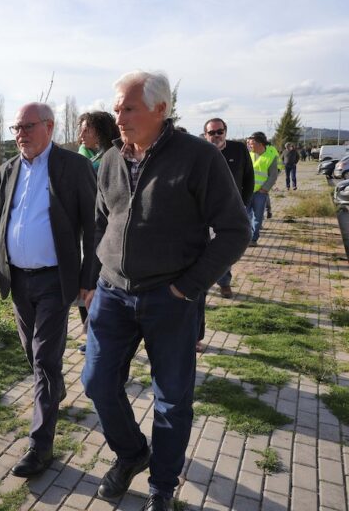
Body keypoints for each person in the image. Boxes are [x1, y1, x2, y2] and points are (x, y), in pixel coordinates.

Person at [81, 71, 250, 511]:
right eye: (117, 108)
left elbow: (235, 231)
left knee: (172, 401)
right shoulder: (113, 159)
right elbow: (103, 221)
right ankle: (133, 453)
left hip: (170, 299)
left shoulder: (198, 157)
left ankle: (162, 485)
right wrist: (95, 278)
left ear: (160, 109)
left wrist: (188, 287)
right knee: (96, 382)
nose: (118, 117)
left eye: (129, 108)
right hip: (113, 295)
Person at [0, 102, 97, 478]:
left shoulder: (72, 167)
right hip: (17, 280)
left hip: (54, 279)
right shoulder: (6, 170)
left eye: (27, 127)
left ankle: (40, 445)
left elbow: (94, 226)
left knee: (46, 359)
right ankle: (54, 391)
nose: (20, 134)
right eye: (16, 128)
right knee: (33, 354)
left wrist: (88, 277)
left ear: (49, 127)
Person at [76, 111, 118, 353]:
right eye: (81, 129)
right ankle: (91, 332)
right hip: (82, 233)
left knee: (100, 284)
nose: (81, 134)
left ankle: (100, 336)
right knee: (83, 282)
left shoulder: (114, 158)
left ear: (101, 132)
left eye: (87, 130)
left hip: (107, 232)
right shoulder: (81, 159)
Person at [203, 118, 254, 298]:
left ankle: (224, 282)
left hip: (231, 210)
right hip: (203, 211)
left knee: (225, 248)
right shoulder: (200, 152)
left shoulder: (239, 149)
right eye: (212, 133)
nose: (216, 135)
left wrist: (244, 204)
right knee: (203, 247)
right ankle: (203, 281)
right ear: (205, 135)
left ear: (225, 132)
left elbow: (249, 178)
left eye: (219, 131)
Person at [246, 132, 280, 247]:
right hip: (247, 191)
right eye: (249, 144)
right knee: (245, 216)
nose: (250, 146)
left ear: (259, 144)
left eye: (251, 144)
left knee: (258, 216)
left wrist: (265, 189)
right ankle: (246, 237)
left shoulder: (271, 157)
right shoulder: (248, 155)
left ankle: (253, 239)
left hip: (260, 193)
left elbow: (273, 175)